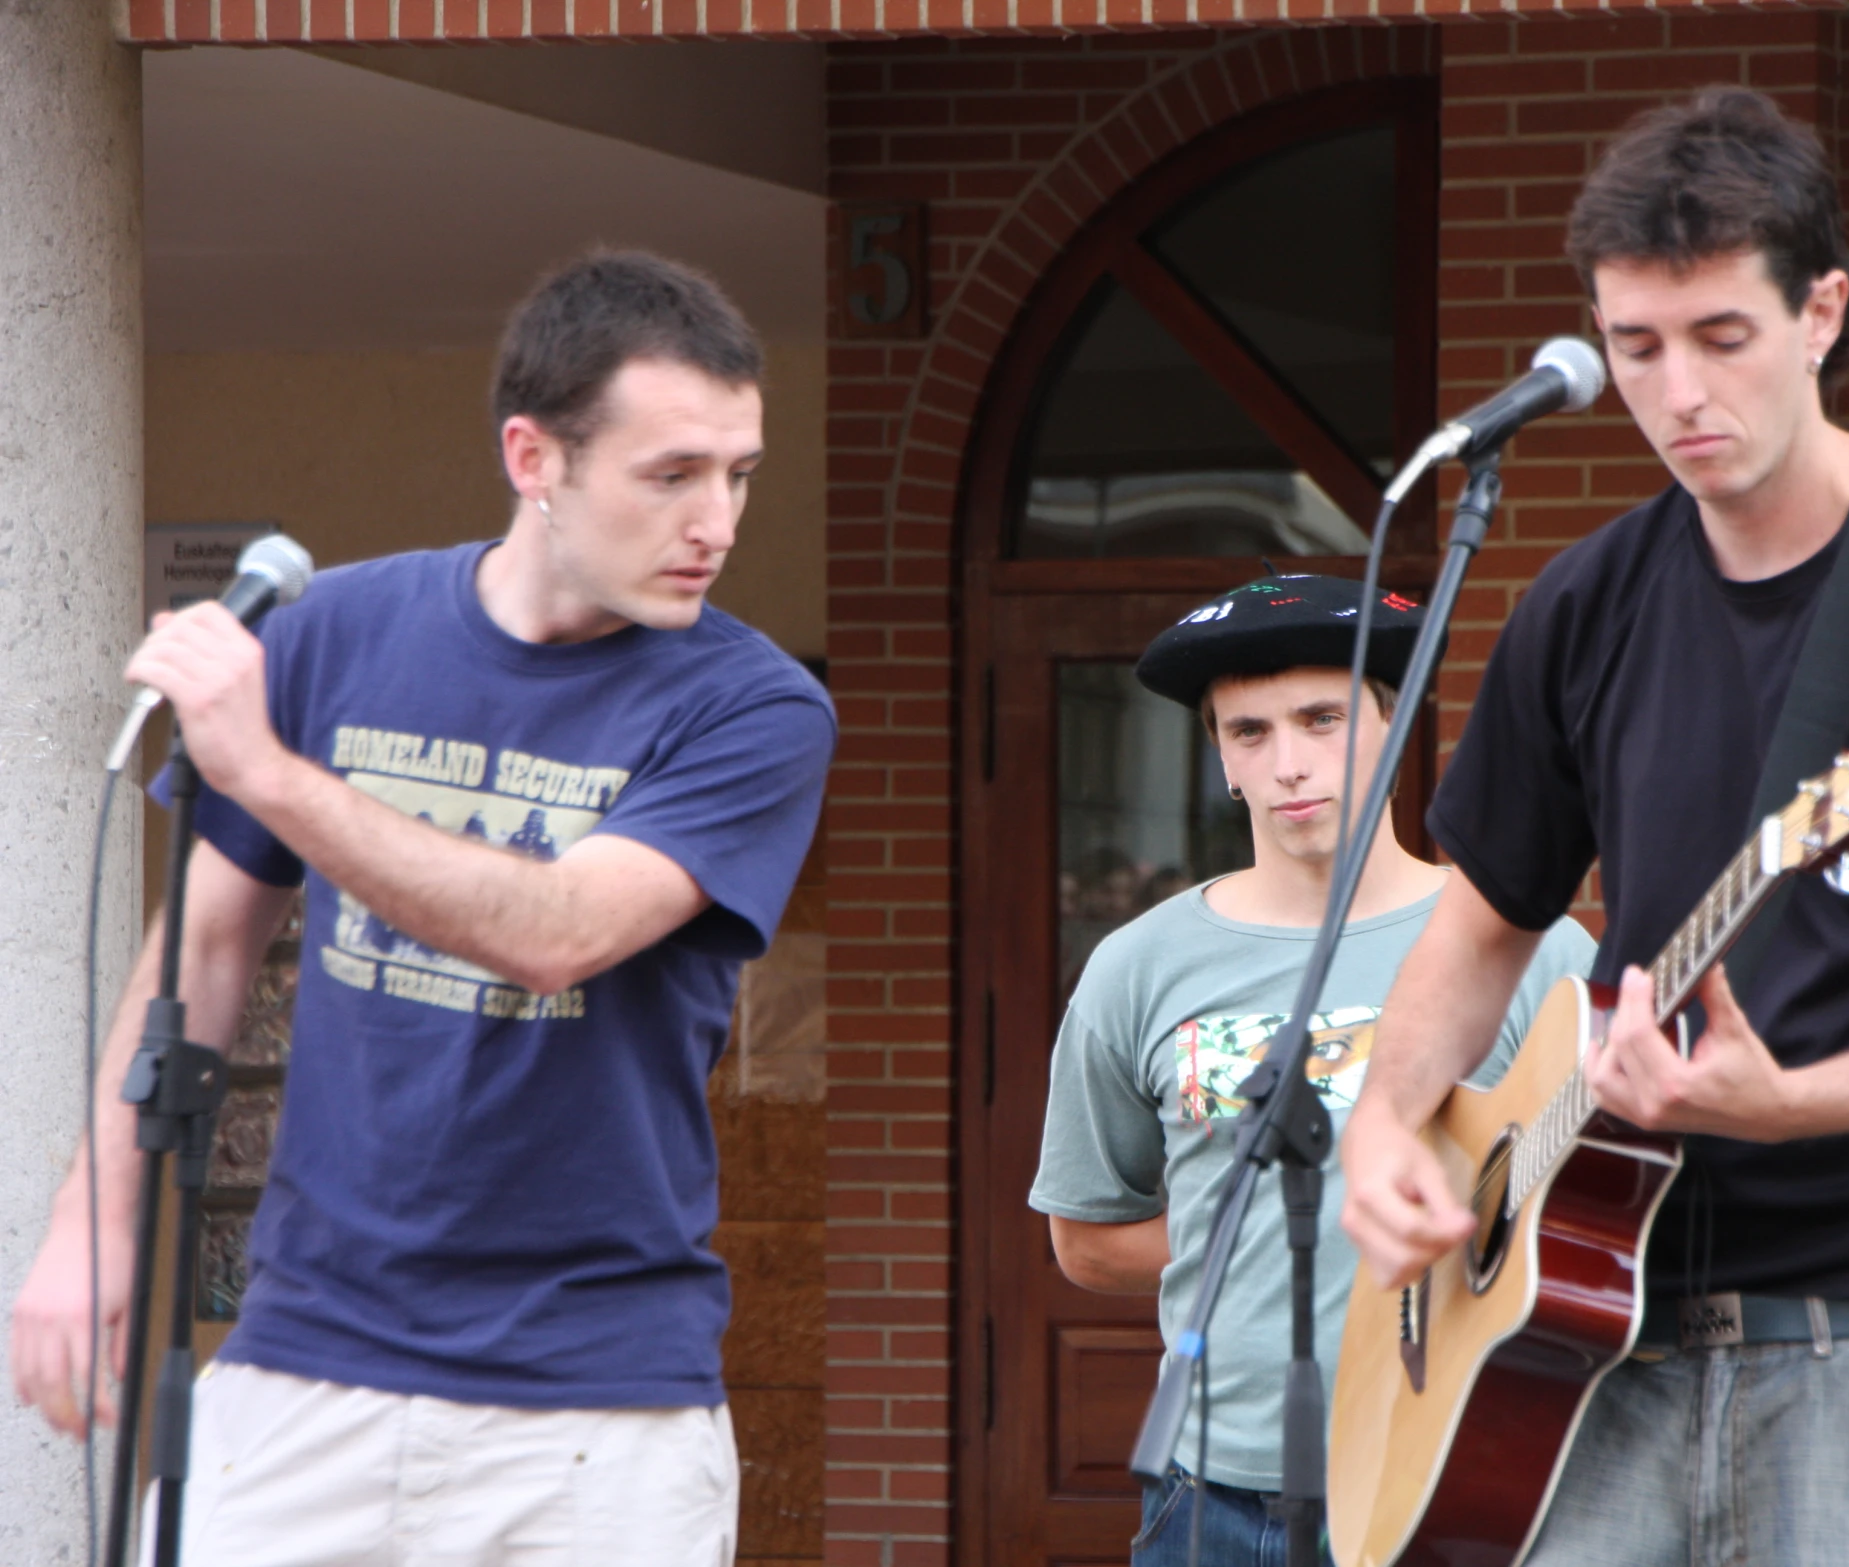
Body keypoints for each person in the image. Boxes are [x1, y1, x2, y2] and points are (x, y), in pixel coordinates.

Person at [1339, 88, 1849, 1567]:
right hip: (1592, 1357)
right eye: (1634, 346)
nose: (1676, 390)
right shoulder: (1581, 602)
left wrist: (1788, 1102)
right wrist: (1385, 1116)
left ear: (1820, 311)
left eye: (1719, 338)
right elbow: (1482, 919)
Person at [10, 251, 835, 1565]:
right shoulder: (331, 630)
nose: (716, 522)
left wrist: (272, 773)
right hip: (306, 1358)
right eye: (670, 472)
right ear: (534, 456)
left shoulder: (751, 705)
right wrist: (86, 1226)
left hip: (598, 1399)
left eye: (738, 473)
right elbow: (205, 948)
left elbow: (559, 929)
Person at [1031, 576, 1597, 1567]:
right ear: (1220, 757)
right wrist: (1276, 1214)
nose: (1288, 763)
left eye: (1321, 718)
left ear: (1393, 719)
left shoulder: (1530, 951)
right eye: (1249, 732)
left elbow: (1604, 1204)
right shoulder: (1138, 966)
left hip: (1461, 1476)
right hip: (1213, 1495)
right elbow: (1084, 1241)